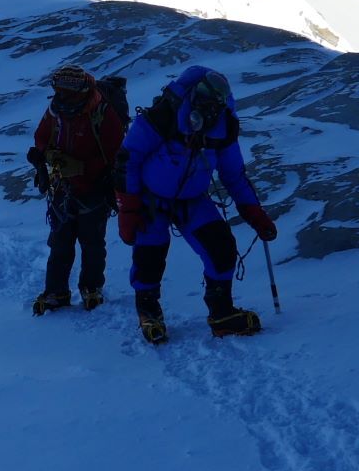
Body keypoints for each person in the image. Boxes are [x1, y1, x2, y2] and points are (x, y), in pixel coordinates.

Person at [116, 64, 278, 343]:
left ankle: (222, 314)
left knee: (221, 248)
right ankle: (149, 310)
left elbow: (233, 175)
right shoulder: (164, 116)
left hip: (192, 199)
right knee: (150, 254)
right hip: (151, 198)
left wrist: (254, 213)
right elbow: (128, 160)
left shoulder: (223, 131)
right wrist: (129, 207)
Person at [26, 64, 127, 314]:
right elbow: (42, 137)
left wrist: (80, 167)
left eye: (66, 89)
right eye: (59, 89)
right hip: (63, 186)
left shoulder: (102, 113)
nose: (61, 94)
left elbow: (115, 154)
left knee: (91, 243)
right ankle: (57, 291)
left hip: (94, 187)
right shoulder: (57, 111)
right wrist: (45, 156)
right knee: (61, 242)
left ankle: (90, 288)